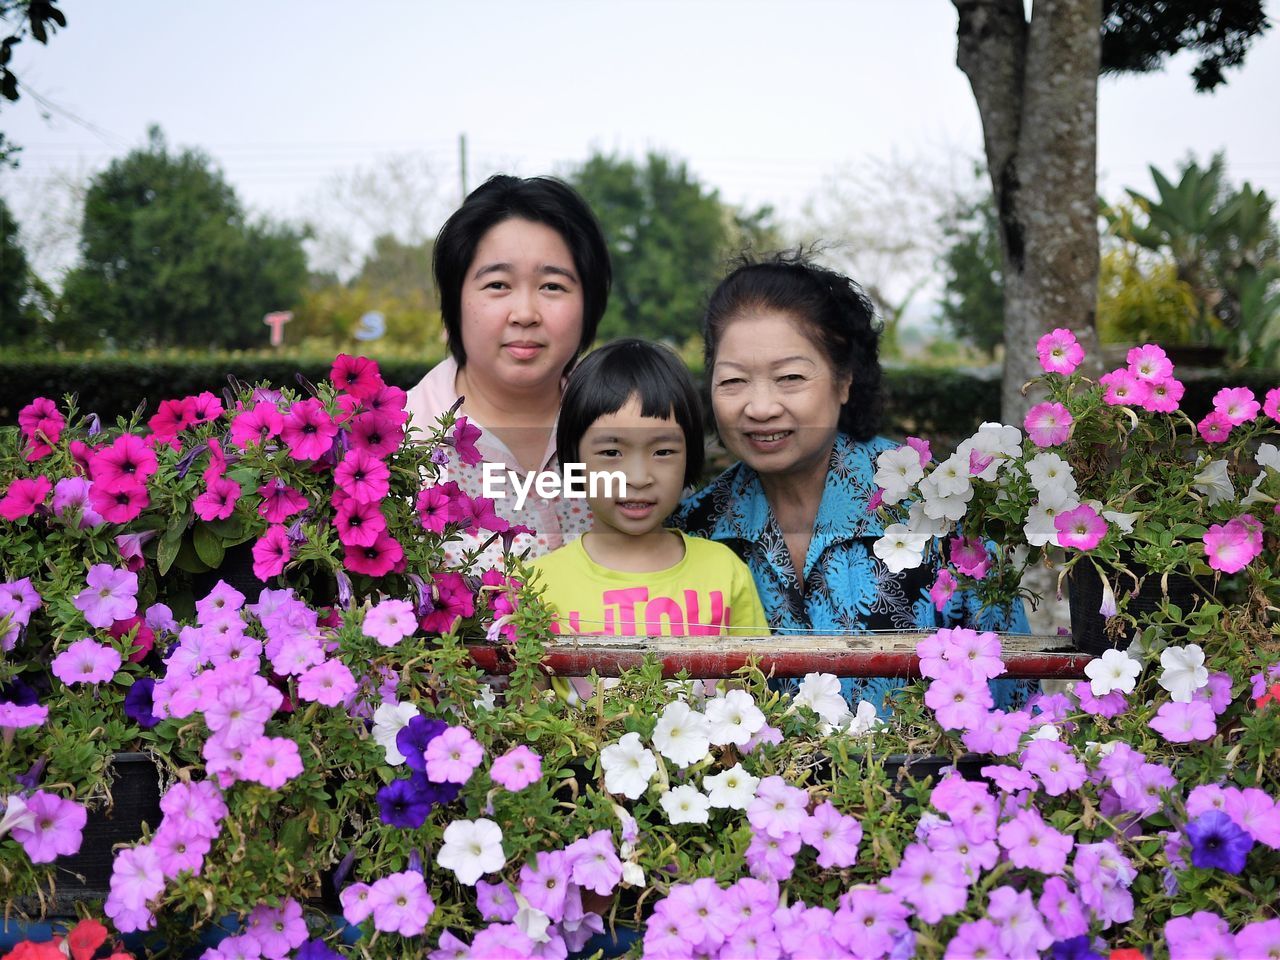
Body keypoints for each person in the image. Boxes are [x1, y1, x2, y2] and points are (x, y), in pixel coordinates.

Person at [673, 252, 1030, 715]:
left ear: (844, 380)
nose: (759, 407)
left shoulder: (941, 509)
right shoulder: (692, 529)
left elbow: (1013, 700)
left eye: (790, 378)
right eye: (734, 381)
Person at [531, 339, 768, 700]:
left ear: (690, 458)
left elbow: (755, 703)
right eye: (611, 452)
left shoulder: (725, 570)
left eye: (663, 451)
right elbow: (522, 717)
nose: (639, 476)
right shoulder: (536, 586)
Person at [405, 175, 611, 568]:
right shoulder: (400, 441)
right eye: (498, 284)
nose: (525, 314)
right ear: (456, 300)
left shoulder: (620, 420)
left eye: (552, 286)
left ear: (589, 303)